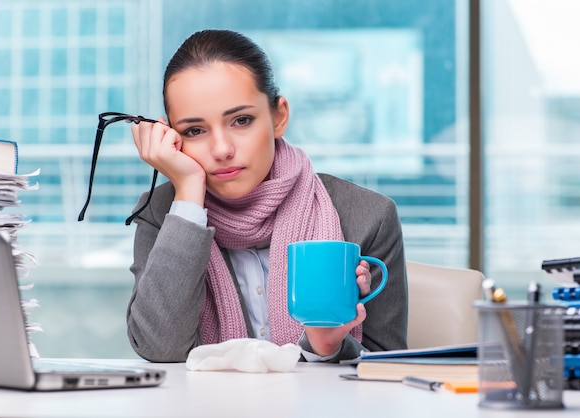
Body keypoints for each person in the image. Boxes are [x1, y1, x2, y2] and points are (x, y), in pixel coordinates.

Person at [126, 29, 408, 363]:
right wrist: (187, 194)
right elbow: (160, 347)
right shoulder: (161, 214)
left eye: (241, 120)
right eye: (194, 131)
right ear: (171, 136)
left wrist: (325, 346)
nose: (221, 149)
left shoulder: (368, 216)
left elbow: (388, 368)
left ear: (279, 117)